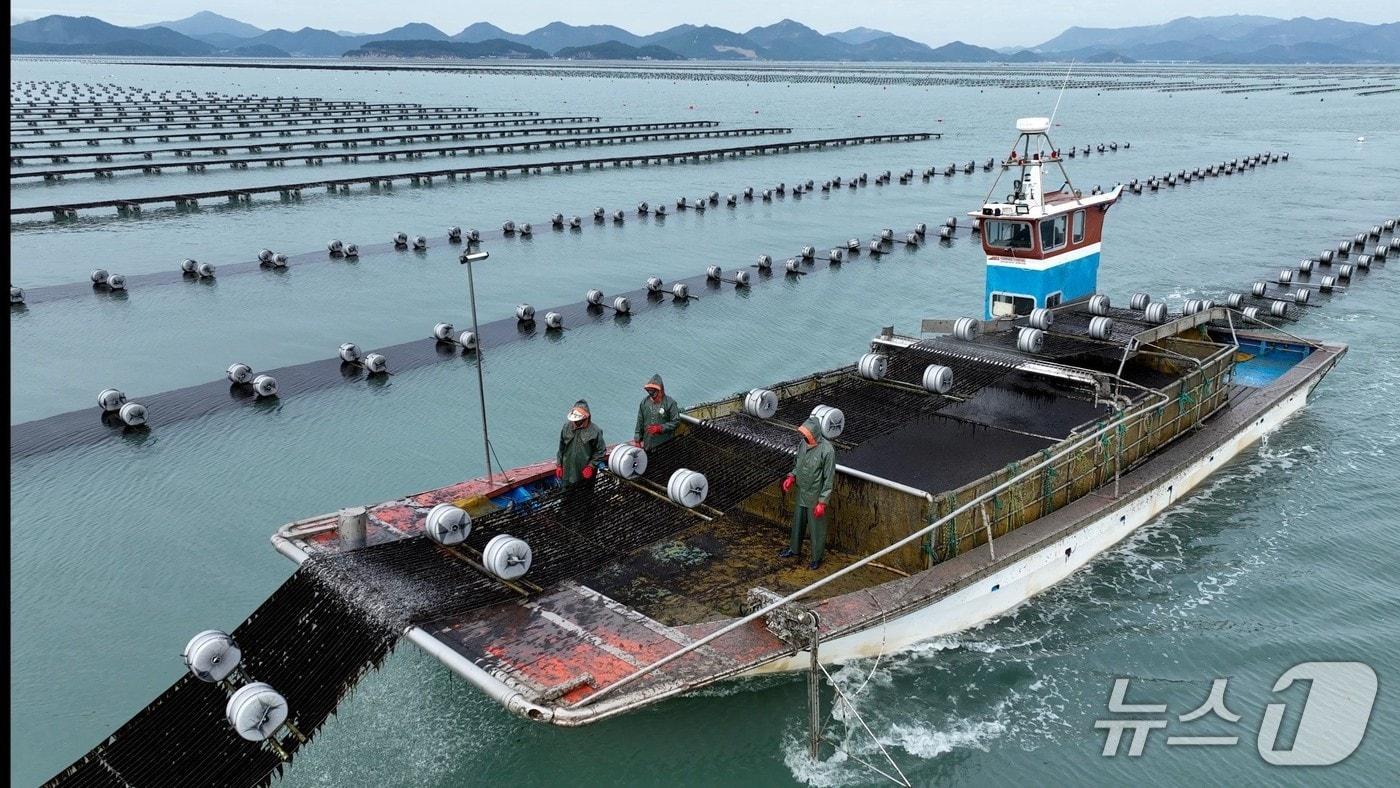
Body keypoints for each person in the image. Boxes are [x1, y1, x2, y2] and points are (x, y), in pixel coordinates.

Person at [778, 416, 836, 570]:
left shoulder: (827, 451)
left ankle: (817, 557)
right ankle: (794, 549)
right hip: (802, 491)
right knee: (797, 523)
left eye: (806, 434)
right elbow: (799, 463)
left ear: (814, 433)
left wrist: (822, 502)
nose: (803, 436)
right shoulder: (802, 444)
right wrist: (792, 477)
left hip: (815, 496)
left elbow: (828, 478)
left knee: (817, 529)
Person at [556, 399, 605, 488]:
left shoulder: (595, 431)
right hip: (567, 473)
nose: (575, 422)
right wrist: (559, 465)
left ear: (585, 417)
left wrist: (591, 466)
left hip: (584, 474)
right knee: (565, 494)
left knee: (583, 494)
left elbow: (601, 451)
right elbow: (561, 448)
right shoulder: (566, 427)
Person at [632, 373, 680, 451]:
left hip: (664, 445)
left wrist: (660, 428)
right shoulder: (644, 403)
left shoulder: (670, 403)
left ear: (660, 391)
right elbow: (640, 421)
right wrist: (637, 440)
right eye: (649, 392)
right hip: (648, 444)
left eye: (654, 393)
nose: (652, 395)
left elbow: (676, 421)